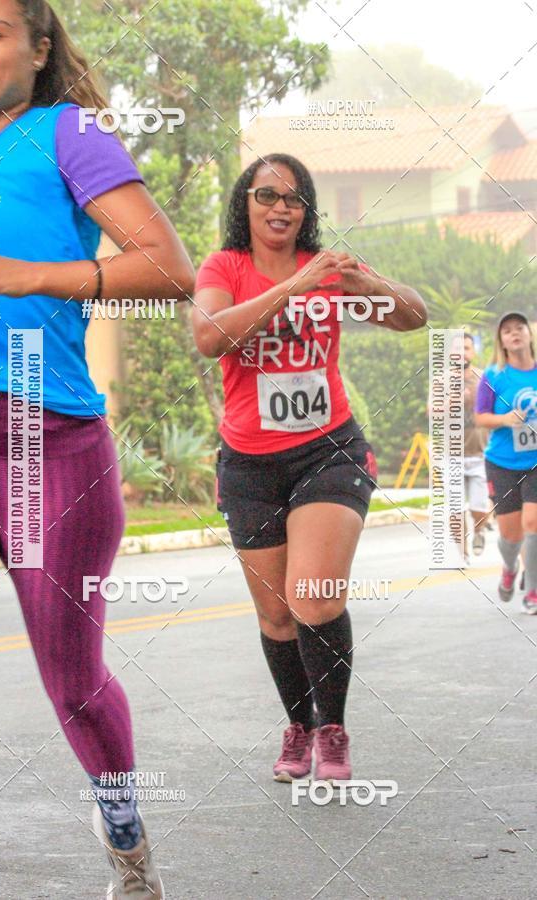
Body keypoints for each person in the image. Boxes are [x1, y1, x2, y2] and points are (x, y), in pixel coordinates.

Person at [0, 1, 194, 897]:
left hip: (43, 443)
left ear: (39, 51)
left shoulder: (64, 133)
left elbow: (168, 267)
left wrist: (26, 275)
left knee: (73, 681)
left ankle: (123, 828)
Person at [191, 153, 427, 784]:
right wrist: (293, 288)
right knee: (275, 615)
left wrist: (366, 286)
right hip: (248, 463)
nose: (280, 207)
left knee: (314, 598)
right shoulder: (225, 267)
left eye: (293, 198)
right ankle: (297, 726)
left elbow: (414, 315)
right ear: (246, 203)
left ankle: (332, 729)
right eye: (266, 194)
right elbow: (210, 335)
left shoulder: (327, 267)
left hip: (330, 451)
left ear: (306, 210)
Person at [475, 311, 537, 613]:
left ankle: (533, 592)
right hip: (502, 463)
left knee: (533, 523)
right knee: (511, 535)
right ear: (501, 340)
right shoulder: (493, 376)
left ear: (528, 333)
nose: (514, 333)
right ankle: (510, 568)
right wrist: (505, 419)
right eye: (507, 330)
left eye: (519, 328)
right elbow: (480, 417)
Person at [463, 333, 490, 557]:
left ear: (473, 352)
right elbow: (431, 411)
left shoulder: (483, 378)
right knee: (453, 510)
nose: (461, 353)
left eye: (466, 348)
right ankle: (459, 551)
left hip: (480, 453)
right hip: (451, 455)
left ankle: (479, 530)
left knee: (478, 507)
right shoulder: (442, 381)